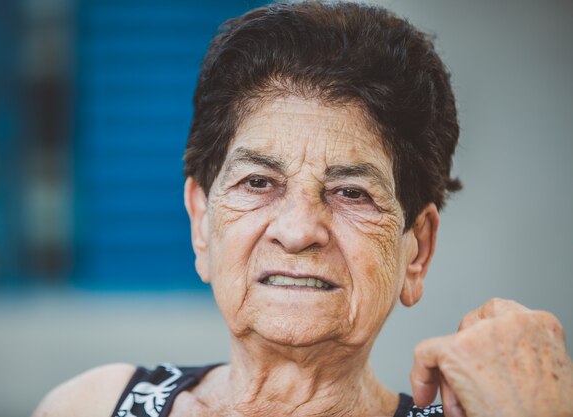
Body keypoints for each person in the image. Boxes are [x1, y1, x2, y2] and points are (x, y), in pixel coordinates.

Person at [32, 2, 573, 416]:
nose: (297, 231)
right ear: (202, 221)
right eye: (259, 182)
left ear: (417, 249)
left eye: (351, 193)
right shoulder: (95, 405)